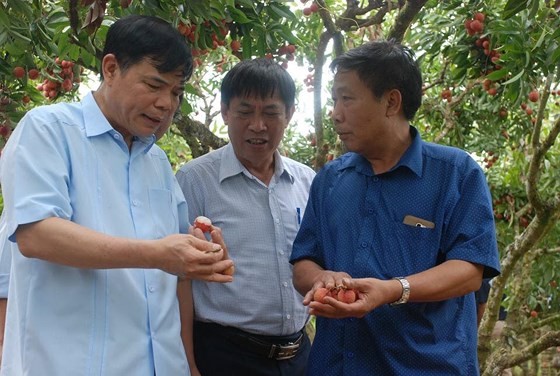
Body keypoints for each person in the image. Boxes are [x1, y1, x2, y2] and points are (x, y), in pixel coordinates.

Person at [0, 15, 234, 375]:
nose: (166, 104)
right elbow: (36, 234)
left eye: (176, 92)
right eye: (154, 85)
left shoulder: (156, 161)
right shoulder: (48, 130)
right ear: (111, 68)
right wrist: (159, 254)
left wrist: (197, 251)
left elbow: (176, 273)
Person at [290, 39, 501, 375]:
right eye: (334, 100)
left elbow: (470, 271)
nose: (335, 113)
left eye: (347, 98)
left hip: (427, 366)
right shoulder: (330, 178)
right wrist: (322, 278)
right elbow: (303, 260)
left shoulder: (455, 173)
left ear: (391, 102)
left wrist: (392, 290)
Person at [175, 57, 316, 376]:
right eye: (244, 111)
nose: (258, 125)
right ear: (225, 112)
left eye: (270, 112)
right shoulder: (195, 180)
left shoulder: (308, 182)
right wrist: (188, 364)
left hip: (299, 356)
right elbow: (177, 279)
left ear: (289, 114)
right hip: (225, 356)